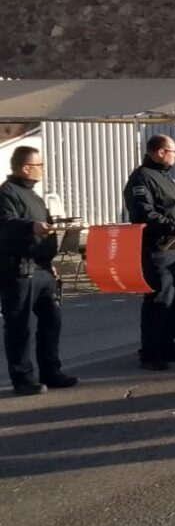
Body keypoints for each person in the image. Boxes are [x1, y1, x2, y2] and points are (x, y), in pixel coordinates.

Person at [0, 147, 76, 395]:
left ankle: (51, 371)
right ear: (25, 168)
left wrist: (49, 260)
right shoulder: (7, 193)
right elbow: (6, 224)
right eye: (39, 165)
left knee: (52, 320)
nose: (42, 170)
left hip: (42, 267)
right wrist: (31, 226)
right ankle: (23, 378)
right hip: (19, 269)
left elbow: (45, 229)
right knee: (19, 325)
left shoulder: (33, 195)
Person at [124, 135, 175, 371]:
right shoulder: (142, 178)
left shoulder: (166, 178)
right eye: (173, 152)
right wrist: (173, 227)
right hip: (159, 248)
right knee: (159, 299)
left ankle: (167, 344)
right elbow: (144, 213)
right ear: (160, 152)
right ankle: (150, 352)